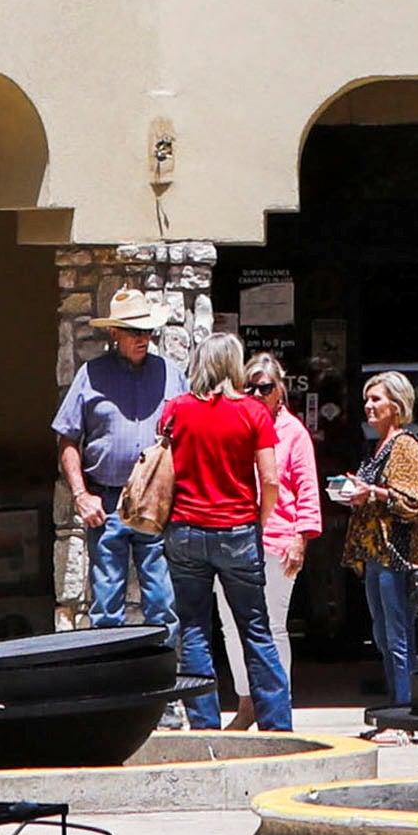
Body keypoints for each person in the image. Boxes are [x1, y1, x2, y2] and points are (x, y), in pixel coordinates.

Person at [126, 333, 293, 731]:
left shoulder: (176, 410)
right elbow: (270, 479)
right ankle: (276, 726)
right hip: (236, 529)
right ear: (233, 365)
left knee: (196, 630)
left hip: (185, 530)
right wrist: (260, 520)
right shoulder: (253, 413)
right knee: (255, 629)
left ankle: (203, 726)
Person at [52, 302, 176, 632]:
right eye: (135, 331)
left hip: (156, 500)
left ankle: (163, 676)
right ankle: (111, 680)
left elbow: (190, 435)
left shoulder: (170, 374)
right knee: (106, 604)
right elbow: (67, 439)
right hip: (105, 502)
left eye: (148, 331)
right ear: (114, 333)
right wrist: (81, 495)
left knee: (162, 602)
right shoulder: (91, 375)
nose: (144, 338)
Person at [333, 371, 418, 728]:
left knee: (398, 637)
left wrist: (374, 493)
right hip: (376, 556)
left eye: (376, 399)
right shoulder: (378, 446)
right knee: (383, 635)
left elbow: (417, 501)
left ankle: (406, 716)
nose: (369, 405)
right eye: (367, 398)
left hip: (397, 556)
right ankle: (400, 708)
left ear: (397, 405)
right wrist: (356, 493)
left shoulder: (407, 446)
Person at [247, 350, 326, 719]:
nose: (257, 395)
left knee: (273, 625)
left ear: (280, 390)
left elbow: (308, 490)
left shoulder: (294, 433)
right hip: (241, 537)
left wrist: (301, 538)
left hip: (279, 539)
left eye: (264, 388)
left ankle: (279, 703)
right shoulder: (242, 426)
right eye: (249, 388)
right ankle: (247, 702)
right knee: (234, 627)